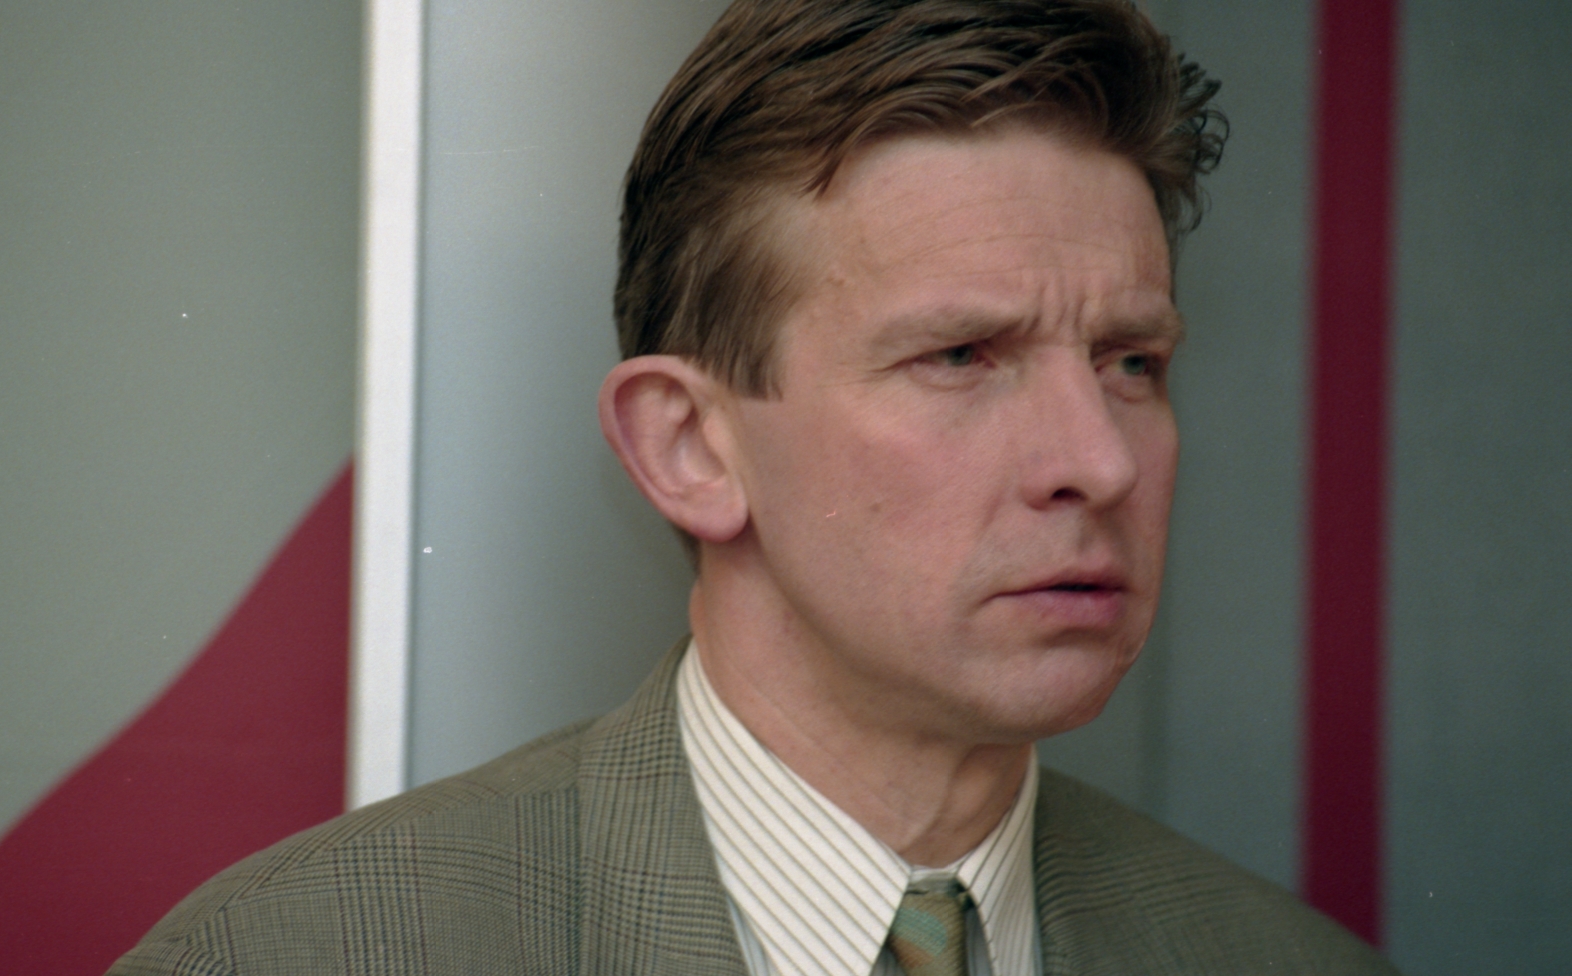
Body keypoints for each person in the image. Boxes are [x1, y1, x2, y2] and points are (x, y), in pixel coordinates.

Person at [111, 1, 1399, 973]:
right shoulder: (305, 953)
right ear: (690, 447)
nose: (1100, 461)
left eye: (1131, 363)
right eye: (962, 355)